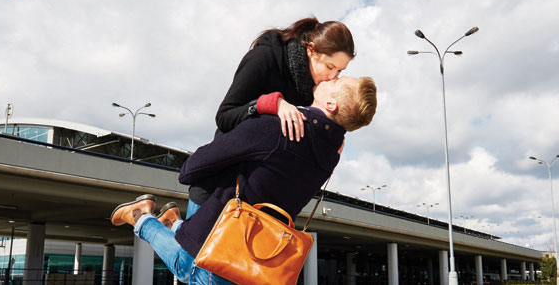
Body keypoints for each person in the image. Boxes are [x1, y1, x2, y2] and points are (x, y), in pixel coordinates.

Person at [111, 76, 377, 284]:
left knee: (187, 268)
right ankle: (174, 223)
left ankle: (142, 217)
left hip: (224, 237)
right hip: (261, 254)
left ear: (331, 104)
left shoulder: (276, 128)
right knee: (187, 266)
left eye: (336, 82)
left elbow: (190, 170)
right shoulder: (331, 155)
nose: (330, 78)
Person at [191, 16, 356, 211]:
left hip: (260, 200)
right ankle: (148, 219)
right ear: (311, 50)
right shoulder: (265, 58)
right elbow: (224, 117)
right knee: (186, 242)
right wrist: (271, 104)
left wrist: (329, 137)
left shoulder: (315, 89)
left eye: (339, 71)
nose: (332, 77)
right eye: (330, 67)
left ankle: (169, 221)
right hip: (221, 186)